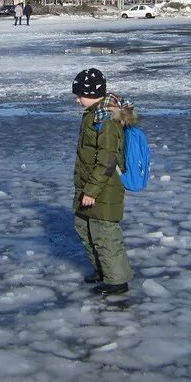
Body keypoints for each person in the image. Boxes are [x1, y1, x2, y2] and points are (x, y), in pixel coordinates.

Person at [71, 68, 135, 296]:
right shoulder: (94, 113)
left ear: (92, 92)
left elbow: (108, 160)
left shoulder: (106, 120)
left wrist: (92, 190)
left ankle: (117, 281)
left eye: (79, 94)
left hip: (104, 189)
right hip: (89, 185)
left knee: (104, 233)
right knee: (83, 226)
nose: (77, 99)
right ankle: (103, 270)